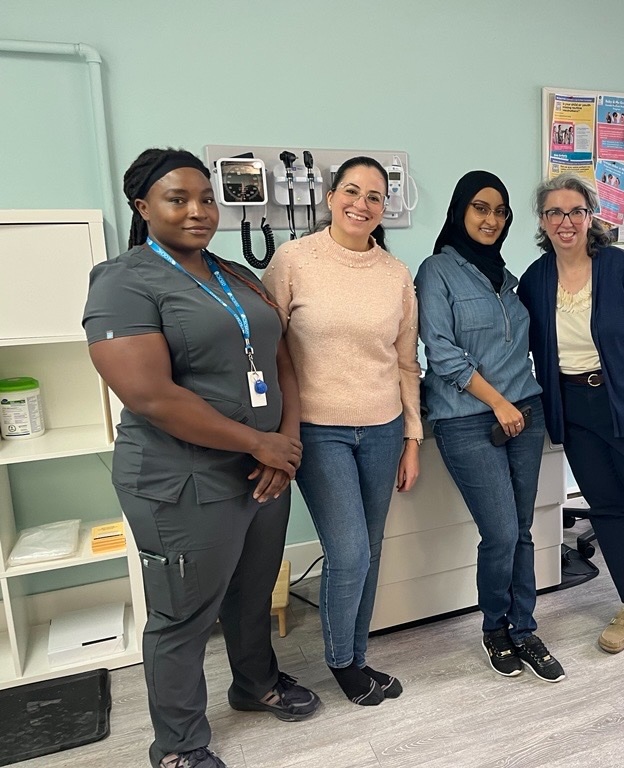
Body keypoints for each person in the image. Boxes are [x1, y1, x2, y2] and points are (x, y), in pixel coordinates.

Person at [83, 148, 320, 768]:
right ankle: (179, 745)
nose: (198, 211)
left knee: (253, 591)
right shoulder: (123, 281)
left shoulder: (235, 274)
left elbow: (282, 359)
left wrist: (285, 443)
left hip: (263, 470)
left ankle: (254, 684)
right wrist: (259, 443)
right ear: (143, 206)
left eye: (207, 199)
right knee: (183, 615)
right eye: (178, 199)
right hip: (182, 478)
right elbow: (149, 395)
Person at [262, 156, 421, 706]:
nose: (362, 204)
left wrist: (412, 438)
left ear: (384, 208)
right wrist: (272, 433)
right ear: (330, 197)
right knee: (349, 553)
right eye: (352, 191)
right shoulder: (293, 260)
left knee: (369, 552)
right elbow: (267, 347)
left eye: (375, 196)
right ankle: (341, 663)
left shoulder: (395, 274)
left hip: (382, 429)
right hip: (318, 430)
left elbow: (406, 362)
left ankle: (357, 654)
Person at [518, 173, 624, 655]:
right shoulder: (535, 280)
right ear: (543, 221)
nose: (565, 221)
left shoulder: (622, 267)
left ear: (590, 216)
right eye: (554, 212)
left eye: (575, 211)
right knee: (608, 506)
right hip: (576, 409)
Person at [415, 170, 565, 683]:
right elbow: (441, 352)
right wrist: (499, 402)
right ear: (460, 210)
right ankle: (494, 628)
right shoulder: (436, 271)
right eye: (481, 208)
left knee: (521, 530)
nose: (491, 219)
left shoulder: (507, 277)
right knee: (500, 531)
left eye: (500, 211)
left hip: (526, 410)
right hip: (467, 419)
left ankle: (524, 629)